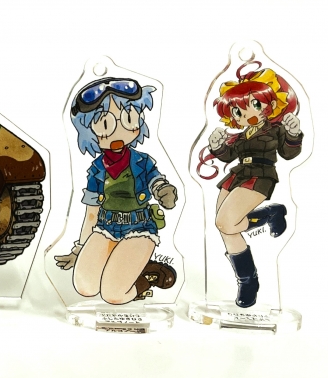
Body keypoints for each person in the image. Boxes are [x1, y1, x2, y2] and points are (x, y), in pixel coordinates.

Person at [55, 78, 178, 304]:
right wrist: (79, 250)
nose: (119, 131)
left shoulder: (142, 161)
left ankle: (147, 277)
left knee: (113, 295)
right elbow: (91, 213)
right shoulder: (97, 170)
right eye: (105, 124)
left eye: (129, 119)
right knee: (85, 287)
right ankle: (131, 267)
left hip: (139, 228)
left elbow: (155, 180)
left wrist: (163, 190)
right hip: (106, 227)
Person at [197, 63, 303, 308]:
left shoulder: (275, 129)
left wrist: (293, 134)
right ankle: (247, 280)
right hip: (237, 175)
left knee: (226, 222)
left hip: (261, 175)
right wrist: (217, 146)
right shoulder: (241, 135)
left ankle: (268, 217)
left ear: (270, 103)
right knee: (225, 228)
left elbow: (288, 153)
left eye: (254, 104)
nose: (245, 114)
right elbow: (228, 155)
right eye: (237, 110)